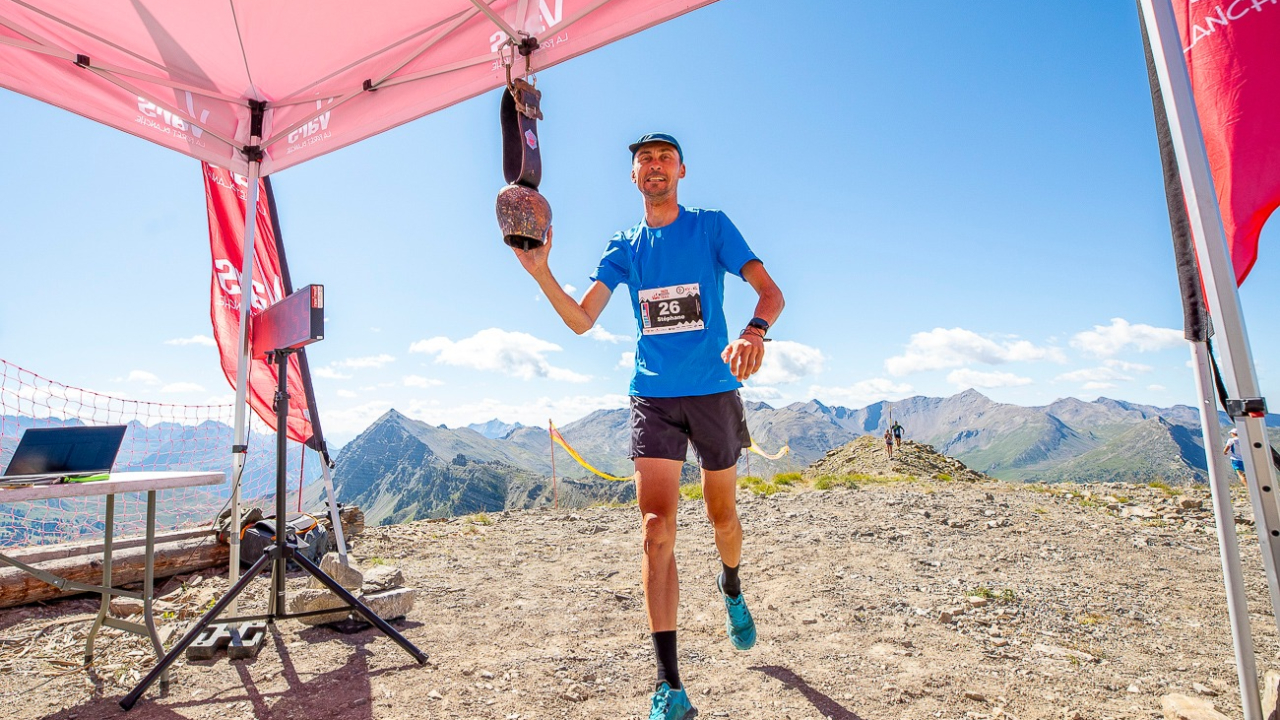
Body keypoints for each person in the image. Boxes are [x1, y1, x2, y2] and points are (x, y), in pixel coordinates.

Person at [512, 131, 784, 720]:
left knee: (722, 518)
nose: (654, 166)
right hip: (653, 398)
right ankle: (671, 686)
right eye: (644, 160)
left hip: (713, 392)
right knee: (656, 530)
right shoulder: (625, 245)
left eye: (664, 158)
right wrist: (541, 272)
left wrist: (753, 332)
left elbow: (770, 292)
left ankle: (731, 585)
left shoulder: (711, 228)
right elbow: (584, 319)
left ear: (681, 171)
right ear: (633, 178)